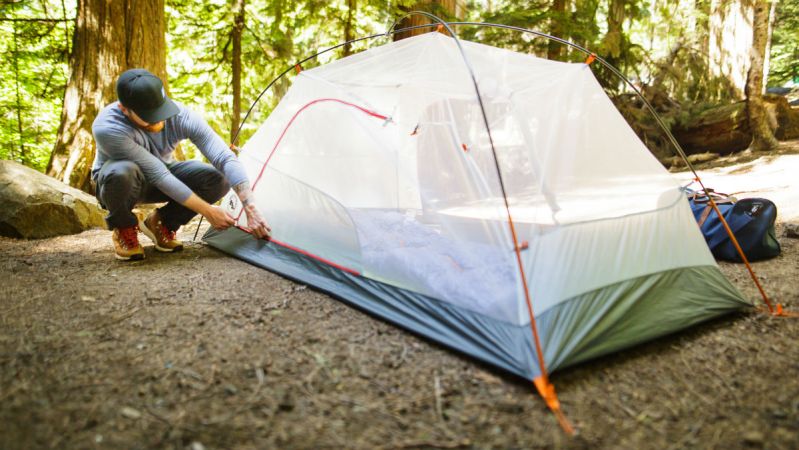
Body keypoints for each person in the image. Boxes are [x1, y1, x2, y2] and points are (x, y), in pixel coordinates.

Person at [91, 68, 270, 261]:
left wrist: (250, 206)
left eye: (160, 109)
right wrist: (208, 212)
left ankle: (162, 223)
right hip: (121, 182)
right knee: (122, 172)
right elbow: (158, 174)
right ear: (124, 109)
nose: (159, 119)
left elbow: (224, 157)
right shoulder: (107, 127)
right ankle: (124, 227)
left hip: (163, 173)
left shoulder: (181, 116)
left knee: (219, 179)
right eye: (149, 114)